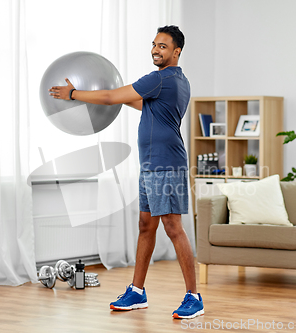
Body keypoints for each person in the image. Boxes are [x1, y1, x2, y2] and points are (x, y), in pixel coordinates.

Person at [49, 25, 204, 319]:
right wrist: (93, 96)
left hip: (166, 164)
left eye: (162, 46)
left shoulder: (162, 79)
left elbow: (110, 98)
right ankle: (137, 291)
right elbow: (137, 103)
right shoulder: (175, 81)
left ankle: (194, 297)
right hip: (150, 165)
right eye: (154, 44)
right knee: (146, 226)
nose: (156, 50)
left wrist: (73, 93)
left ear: (176, 52)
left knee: (173, 227)